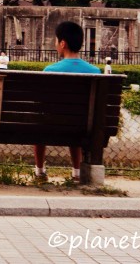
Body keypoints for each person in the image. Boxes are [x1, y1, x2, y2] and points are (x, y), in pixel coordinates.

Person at [33, 21, 100, 183]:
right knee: (76, 123)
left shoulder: (50, 70)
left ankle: (40, 172)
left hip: (51, 124)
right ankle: (77, 173)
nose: (55, 44)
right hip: (82, 126)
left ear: (63, 43)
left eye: (56, 40)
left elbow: (43, 103)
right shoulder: (95, 72)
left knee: (39, 125)